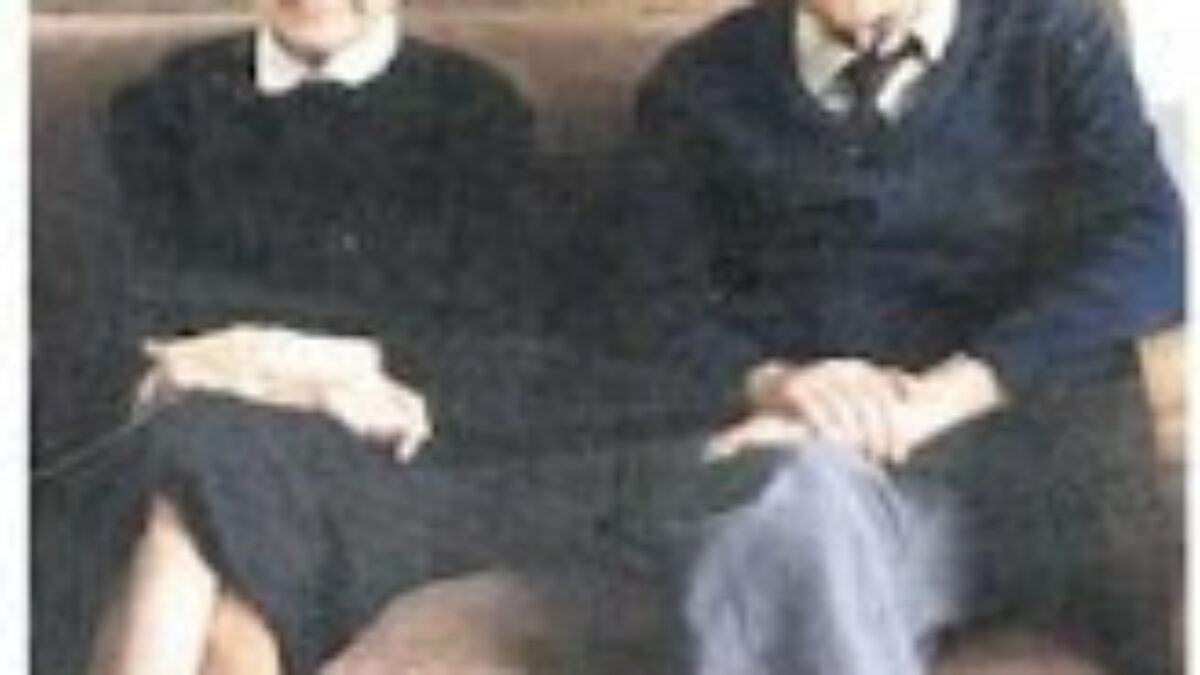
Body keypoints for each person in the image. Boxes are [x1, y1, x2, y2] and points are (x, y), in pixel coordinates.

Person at [36, 1, 629, 673]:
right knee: (220, 617)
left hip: (364, 459)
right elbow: (107, 311)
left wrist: (324, 368)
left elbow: (499, 339)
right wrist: (254, 366)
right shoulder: (163, 103)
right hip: (185, 423)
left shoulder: (475, 110)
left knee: (197, 468)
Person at [622, 0, 1184, 672]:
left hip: (1006, 472)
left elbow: (1152, 253)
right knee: (787, 509)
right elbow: (647, 303)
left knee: (786, 518)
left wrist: (938, 397)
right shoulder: (699, 81)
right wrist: (777, 384)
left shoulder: (1052, 42)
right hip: (801, 459)